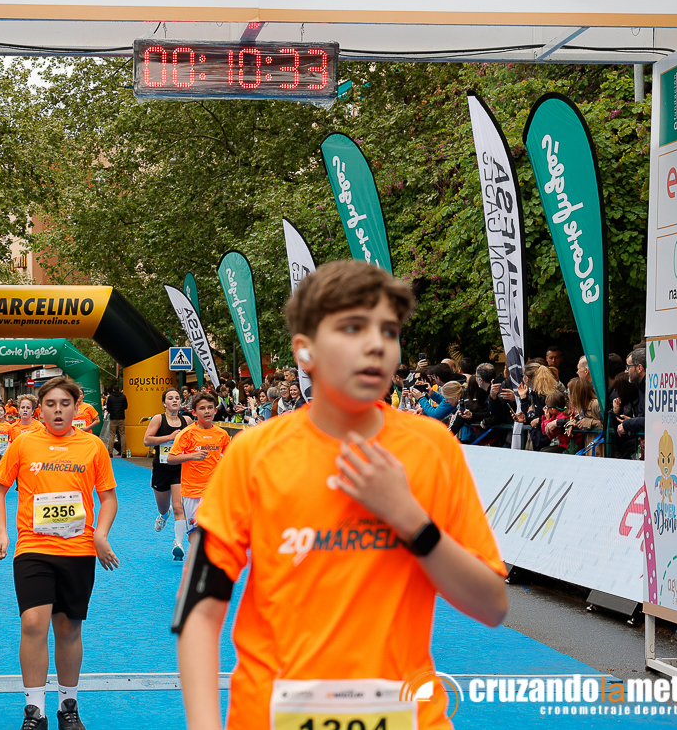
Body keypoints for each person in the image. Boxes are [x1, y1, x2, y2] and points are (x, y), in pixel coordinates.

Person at [174, 260, 507, 730]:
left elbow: (492, 606)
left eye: (388, 331)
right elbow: (198, 611)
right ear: (304, 350)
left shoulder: (432, 448)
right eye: (352, 328)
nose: (375, 344)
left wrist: (410, 520)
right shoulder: (253, 454)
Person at [0, 377, 119, 730]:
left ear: (77, 408)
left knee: (68, 627)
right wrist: (2, 532)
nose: (58, 410)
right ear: (39, 409)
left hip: (78, 549)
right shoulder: (23, 444)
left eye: (65, 404)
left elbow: (108, 498)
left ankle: (67, 707)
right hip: (33, 547)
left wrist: (101, 535)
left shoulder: (93, 447)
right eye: (50, 404)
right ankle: (34, 710)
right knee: (33, 623)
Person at [166, 391, 231, 559]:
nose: (207, 411)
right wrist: (192, 456)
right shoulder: (187, 434)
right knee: (194, 532)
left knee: (211, 529)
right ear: (194, 412)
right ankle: (198, 558)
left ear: (216, 410)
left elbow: (230, 457)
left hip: (214, 490)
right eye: (202, 408)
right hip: (192, 490)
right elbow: (171, 458)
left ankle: (207, 559)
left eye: (210, 407)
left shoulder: (222, 434)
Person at [143, 389, 194, 559]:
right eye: (170, 398)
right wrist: (169, 437)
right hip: (161, 469)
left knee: (179, 507)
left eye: (177, 398)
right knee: (163, 507)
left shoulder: (187, 420)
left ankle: (178, 544)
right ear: (164, 403)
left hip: (179, 468)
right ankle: (164, 514)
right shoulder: (158, 419)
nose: (174, 401)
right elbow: (147, 440)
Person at [566, 377, 603, 456]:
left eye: (568, 392)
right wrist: (572, 424)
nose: (567, 395)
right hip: (590, 446)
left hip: (599, 449)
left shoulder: (596, 404)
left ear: (576, 394)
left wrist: (589, 422)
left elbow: (608, 425)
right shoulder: (582, 406)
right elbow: (578, 418)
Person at [103, 385, 128, 457]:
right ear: (119, 389)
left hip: (113, 418)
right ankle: (123, 452)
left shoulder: (110, 397)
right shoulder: (123, 397)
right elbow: (126, 406)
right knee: (122, 435)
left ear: (113, 389)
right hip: (121, 418)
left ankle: (110, 452)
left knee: (112, 435)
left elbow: (108, 408)